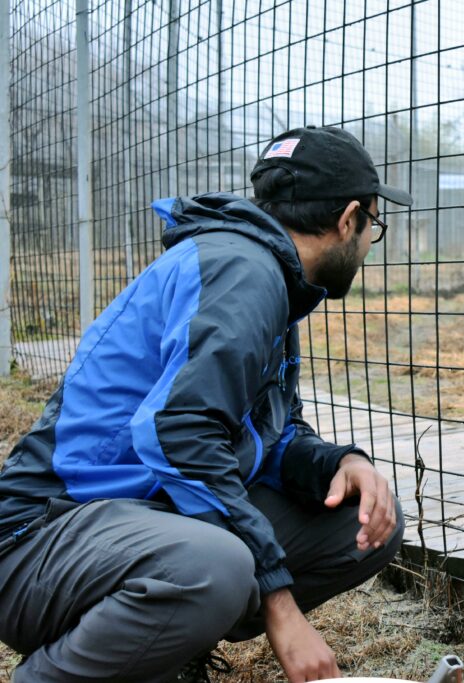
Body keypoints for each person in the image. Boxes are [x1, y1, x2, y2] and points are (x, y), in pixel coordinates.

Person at [0, 126, 411, 682]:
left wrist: (343, 463)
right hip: (39, 540)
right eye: (373, 227)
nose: (367, 242)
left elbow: (266, 434)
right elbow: (179, 433)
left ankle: (153, 647)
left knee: (358, 525)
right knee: (217, 566)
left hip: (132, 521)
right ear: (348, 219)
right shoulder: (244, 274)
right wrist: (280, 605)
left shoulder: (267, 273)